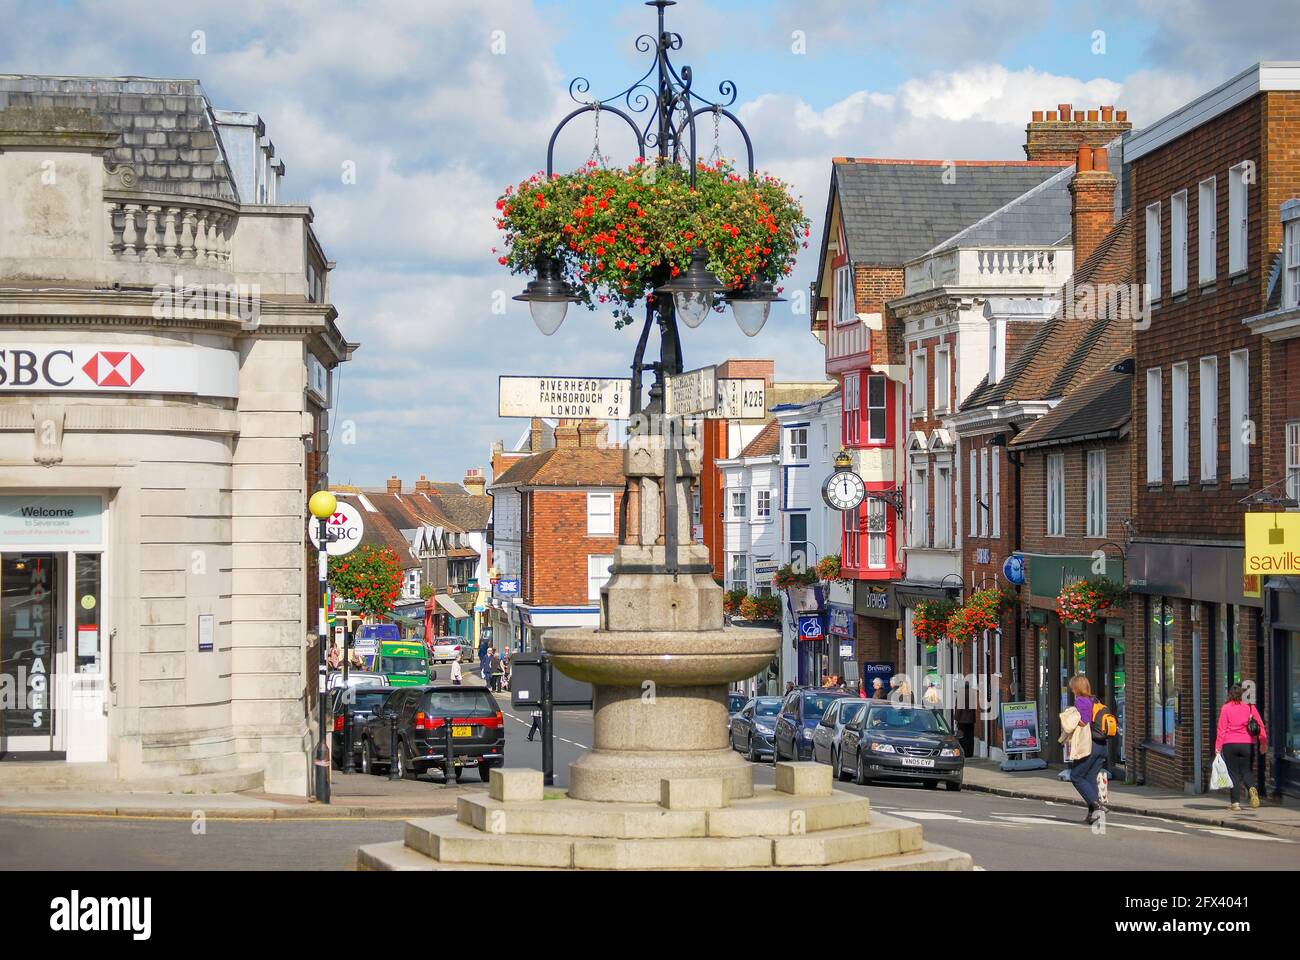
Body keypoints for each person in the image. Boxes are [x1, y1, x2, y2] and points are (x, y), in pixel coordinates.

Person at [1063, 674, 1108, 824]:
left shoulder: (1081, 700)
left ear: (1077, 688)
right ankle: (1092, 816)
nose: (1071, 690)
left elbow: (1084, 722)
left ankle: (1097, 805)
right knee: (1089, 779)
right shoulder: (1094, 700)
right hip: (1101, 745)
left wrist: (1071, 716)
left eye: (1072, 687)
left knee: (1076, 776)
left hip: (1089, 745)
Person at [1215, 683, 1268, 810]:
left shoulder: (1226, 708)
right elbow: (1260, 725)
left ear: (1230, 694)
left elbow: (1221, 729)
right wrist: (1263, 742)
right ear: (1243, 694)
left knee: (1233, 773)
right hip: (1247, 743)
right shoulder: (1250, 707)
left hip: (1229, 744)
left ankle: (1235, 803)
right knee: (1246, 770)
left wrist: (1218, 747)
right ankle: (1252, 788)